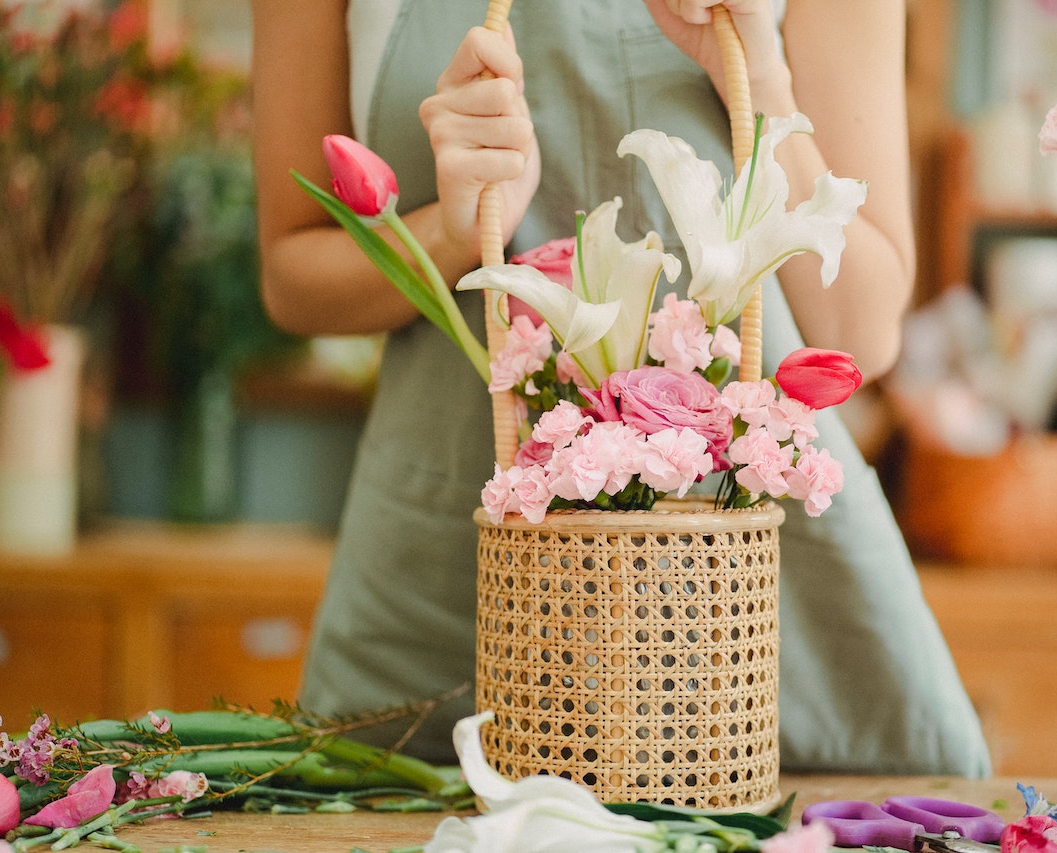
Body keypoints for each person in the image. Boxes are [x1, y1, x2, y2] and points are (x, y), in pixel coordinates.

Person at [249, 0, 992, 775]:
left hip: (757, 607)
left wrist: (759, 77)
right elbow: (291, 276)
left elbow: (863, 328)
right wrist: (451, 233)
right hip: (452, 583)